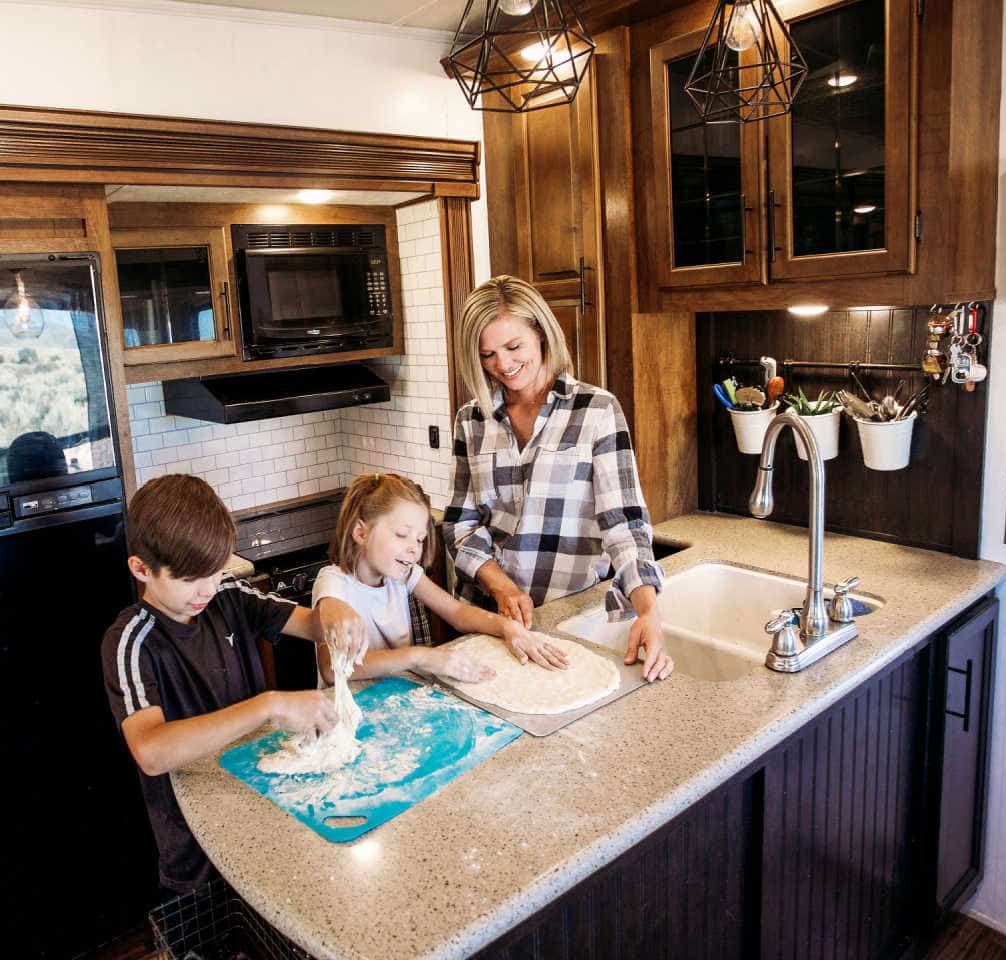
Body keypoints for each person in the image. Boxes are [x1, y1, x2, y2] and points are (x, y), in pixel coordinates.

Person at [100, 474, 366, 896]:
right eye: (190, 579)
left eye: (216, 571)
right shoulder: (132, 641)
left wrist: (332, 607)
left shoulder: (228, 596)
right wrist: (268, 705)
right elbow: (151, 752)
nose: (206, 589)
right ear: (141, 569)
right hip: (195, 848)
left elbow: (312, 624)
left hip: (264, 811)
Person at [442, 276, 674, 682]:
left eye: (514, 347)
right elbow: (460, 526)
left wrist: (649, 611)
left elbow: (625, 524)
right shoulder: (471, 420)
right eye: (488, 354)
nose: (503, 365)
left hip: (573, 618)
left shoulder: (596, 410)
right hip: (494, 622)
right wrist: (503, 589)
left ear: (542, 334)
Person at [312, 471, 564, 680]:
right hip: (348, 713)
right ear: (361, 533)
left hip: (396, 697)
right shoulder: (334, 584)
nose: (414, 548)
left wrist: (507, 627)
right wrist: (418, 656)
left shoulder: (403, 575)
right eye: (402, 534)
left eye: (420, 539)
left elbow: (457, 613)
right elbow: (331, 669)